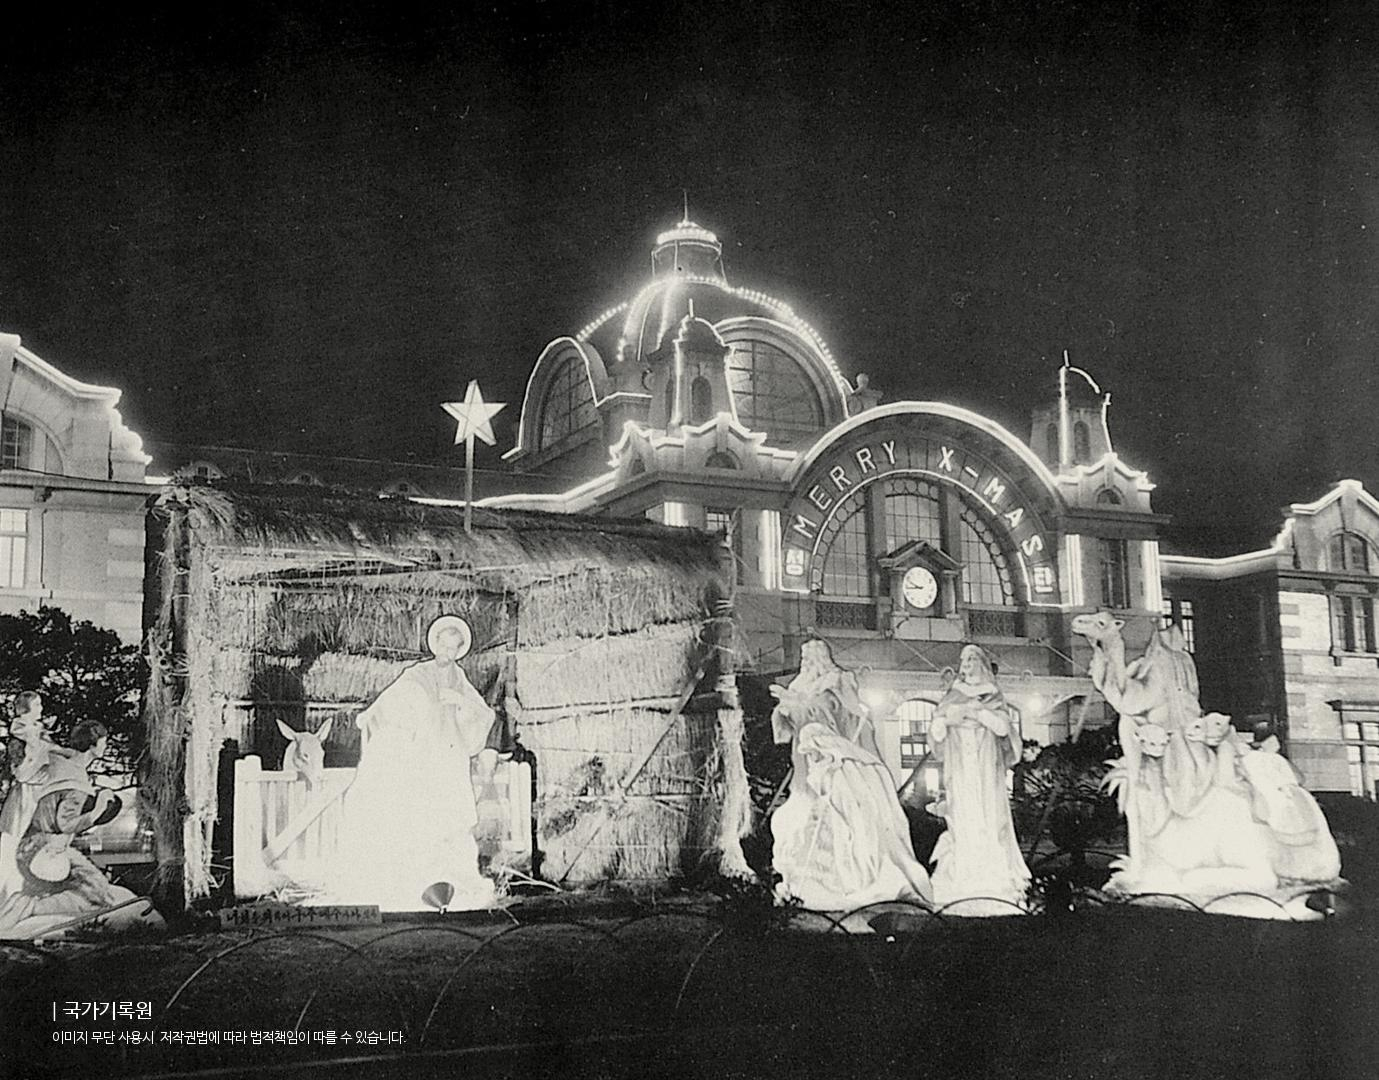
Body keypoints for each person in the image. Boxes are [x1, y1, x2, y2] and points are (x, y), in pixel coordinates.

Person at [335, 615, 498, 910]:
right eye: (443, 646)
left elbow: (482, 712)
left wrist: (458, 702)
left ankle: (452, 880)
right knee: (422, 812)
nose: (447, 652)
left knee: (451, 813)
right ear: (435, 644)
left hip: (451, 752)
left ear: (460, 649)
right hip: (425, 752)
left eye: (454, 647)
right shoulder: (418, 673)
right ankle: (419, 878)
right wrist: (370, 714)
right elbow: (391, 696)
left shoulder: (460, 679)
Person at [769, 639, 932, 911]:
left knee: (840, 817)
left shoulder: (836, 681)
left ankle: (844, 878)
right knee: (798, 810)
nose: (807, 661)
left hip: (831, 755)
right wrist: (786, 708)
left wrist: (801, 705)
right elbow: (785, 728)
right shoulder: (798, 684)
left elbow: (838, 712)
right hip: (806, 758)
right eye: (804, 657)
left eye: (811, 656)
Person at [0, 720, 163, 938]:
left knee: (95, 889)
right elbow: (65, 823)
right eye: (103, 742)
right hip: (41, 851)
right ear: (94, 745)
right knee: (97, 892)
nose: (105, 746)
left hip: (36, 846)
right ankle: (28, 907)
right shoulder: (75, 778)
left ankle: (33, 904)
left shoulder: (64, 762)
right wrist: (97, 810)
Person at [928, 645, 1031, 909]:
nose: (968, 663)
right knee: (963, 815)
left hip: (985, 763)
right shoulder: (953, 695)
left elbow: (1002, 727)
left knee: (990, 814)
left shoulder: (993, 694)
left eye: (973, 658)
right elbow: (937, 731)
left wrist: (978, 713)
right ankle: (963, 874)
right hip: (960, 764)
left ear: (982, 663)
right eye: (964, 659)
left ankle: (993, 875)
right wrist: (950, 718)